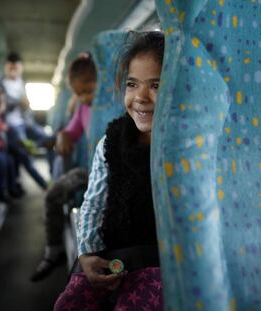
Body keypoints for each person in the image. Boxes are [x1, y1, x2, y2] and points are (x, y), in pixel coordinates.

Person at [54, 31, 165, 311]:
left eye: (156, 85)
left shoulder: (186, 148)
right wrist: (87, 253)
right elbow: (93, 202)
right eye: (132, 84)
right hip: (112, 255)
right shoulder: (110, 143)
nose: (140, 97)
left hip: (159, 261)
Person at [30, 53, 97, 281]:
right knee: (53, 195)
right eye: (79, 93)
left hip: (119, 172)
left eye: (88, 90)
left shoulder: (120, 100)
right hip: (91, 171)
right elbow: (72, 131)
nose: (85, 97)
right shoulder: (83, 107)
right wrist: (63, 136)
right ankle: (53, 250)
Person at [0, 89, 22, 202]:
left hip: (1, 148)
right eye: (3, 103)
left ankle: (12, 187)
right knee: (2, 163)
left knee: (11, 161)